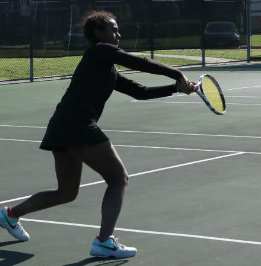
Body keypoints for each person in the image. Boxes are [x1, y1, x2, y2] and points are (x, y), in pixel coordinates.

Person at [0, 11, 196, 259]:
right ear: (98, 33)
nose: (119, 34)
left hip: (62, 126)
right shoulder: (99, 51)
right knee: (118, 178)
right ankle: (104, 241)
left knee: (66, 193)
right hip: (78, 124)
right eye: (114, 29)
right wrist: (177, 74)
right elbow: (140, 63)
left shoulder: (106, 66)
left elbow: (140, 92)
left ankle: (10, 214)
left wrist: (175, 88)